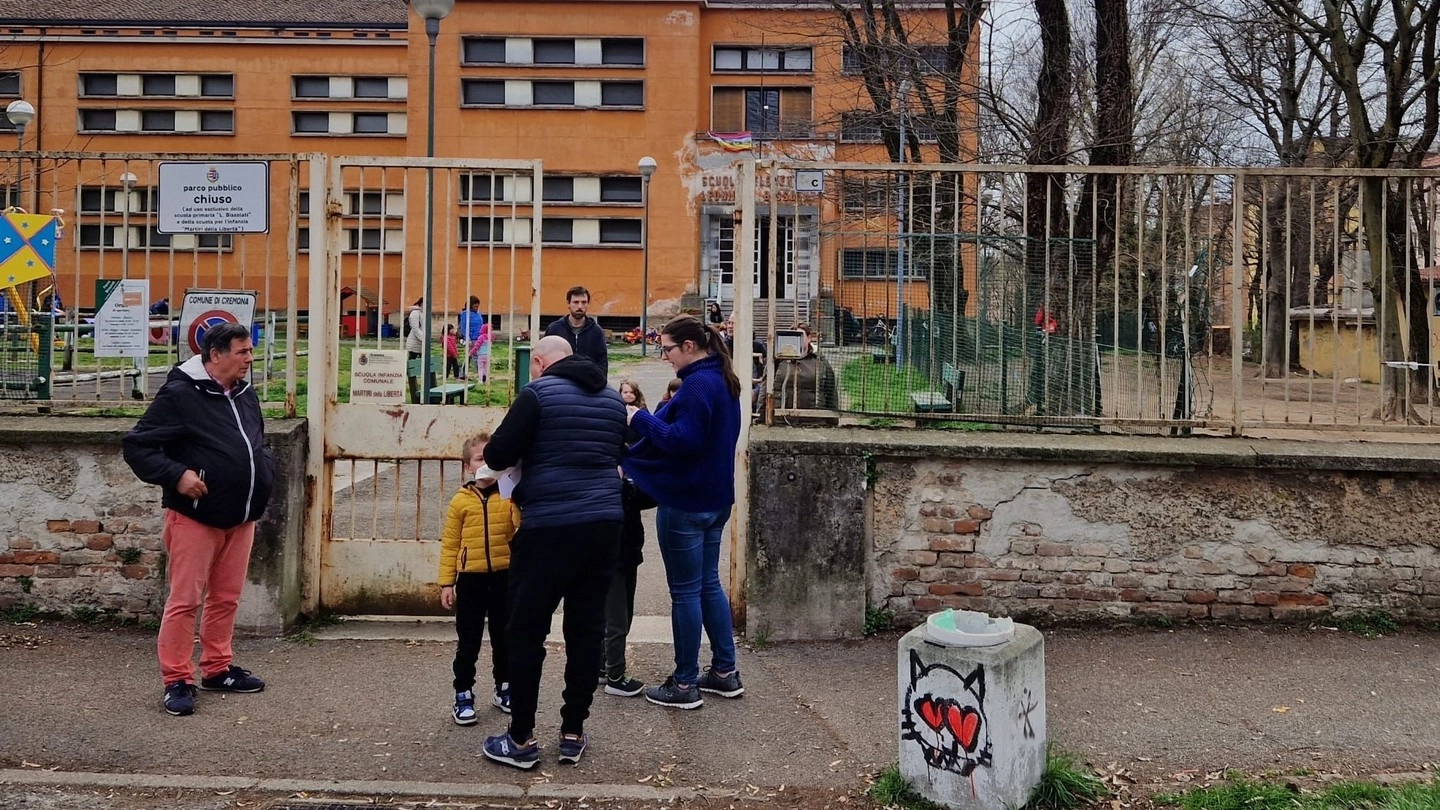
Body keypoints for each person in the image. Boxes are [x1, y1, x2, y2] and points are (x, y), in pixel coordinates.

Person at [480, 335, 627, 769]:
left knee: (526, 630)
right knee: (585, 630)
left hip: (549, 526)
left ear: (541, 363)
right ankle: (572, 732)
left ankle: (521, 738)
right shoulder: (613, 399)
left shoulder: (537, 394)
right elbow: (615, 453)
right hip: (604, 524)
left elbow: (497, 453)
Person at [121, 322, 276, 717]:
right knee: (186, 600)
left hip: (241, 516)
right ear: (216, 354)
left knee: (226, 598)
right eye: (242, 352)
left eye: (249, 351)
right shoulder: (180, 394)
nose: (249, 359)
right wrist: (178, 475)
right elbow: (138, 446)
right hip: (195, 517)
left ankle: (217, 668)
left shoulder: (244, 393)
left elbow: (257, 442)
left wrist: (264, 470)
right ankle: (176, 679)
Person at [624, 315, 745, 710]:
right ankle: (725, 673)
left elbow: (682, 441)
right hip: (716, 499)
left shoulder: (696, 385)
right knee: (708, 583)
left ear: (689, 347)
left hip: (686, 501)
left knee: (685, 592)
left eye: (668, 349)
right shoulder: (725, 380)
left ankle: (684, 683)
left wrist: (638, 418)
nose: (665, 357)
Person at [439, 432, 520, 726]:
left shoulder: (508, 494)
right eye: (479, 459)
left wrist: (515, 497)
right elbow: (450, 544)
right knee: (468, 641)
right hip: (470, 581)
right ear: (467, 467)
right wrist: (446, 583)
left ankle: (504, 686)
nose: (485, 464)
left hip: (503, 577)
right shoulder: (460, 502)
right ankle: (463, 692)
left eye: (491, 459)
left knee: (504, 638)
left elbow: (518, 529)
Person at [602, 380, 652, 698]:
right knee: (618, 614)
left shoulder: (622, 456)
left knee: (609, 610)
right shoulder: (615, 466)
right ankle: (615, 674)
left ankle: (603, 665)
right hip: (616, 549)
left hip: (617, 546)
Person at [544, 285, 608, 377]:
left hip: (588, 386)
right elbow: (546, 359)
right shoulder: (555, 329)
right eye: (576, 302)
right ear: (568, 303)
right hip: (560, 383)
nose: (580, 306)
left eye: (584, 302)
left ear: (588, 304)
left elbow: (602, 363)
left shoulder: (596, 332)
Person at [776, 322, 839, 410]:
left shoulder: (820, 361)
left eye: (800, 336)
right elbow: (765, 389)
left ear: (809, 338)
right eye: (793, 337)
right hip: (781, 417)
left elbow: (831, 392)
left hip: (813, 418)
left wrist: (833, 419)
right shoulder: (778, 361)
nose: (797, 340)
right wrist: (762, 417)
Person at [724, 315, 766, 414]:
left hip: (753, 390)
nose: (730, 326)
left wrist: (756, 392)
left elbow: (764, 375)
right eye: (729, 323)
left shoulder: (758, 346)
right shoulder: (723, 345)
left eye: (733, 324)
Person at [459, 296, 485, 380]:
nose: (476, 308)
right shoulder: (465, 314)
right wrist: (468, 338)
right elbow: (463, 327)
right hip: (472, 338)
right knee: (476, 356)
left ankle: (462, 373)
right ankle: (482, 374)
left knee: (469, 356)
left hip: (479, 337)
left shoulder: (478, 313)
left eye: (477, 306)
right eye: (474, 306)